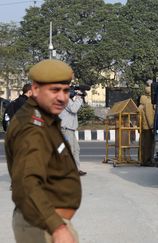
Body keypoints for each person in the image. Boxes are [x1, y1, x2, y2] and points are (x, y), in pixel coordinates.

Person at [5, 59, 81, 242]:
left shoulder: (43, 117)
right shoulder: (33, 129)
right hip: (42, 225)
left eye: (65, 91)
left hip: (46, 221)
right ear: (36, 89)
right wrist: (58, 228)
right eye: (54, 90)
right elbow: (27, 184)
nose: (62, 98)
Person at [59, 91, 86, 176]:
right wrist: (78, 97)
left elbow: (78, 107)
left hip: (70, 129)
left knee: (76, 149)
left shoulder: (69, 100)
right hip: (66, 129)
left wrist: (81, 98)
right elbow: (74, 109)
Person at [139, 85, 155, 166]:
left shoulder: (143, 102)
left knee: (144, 144)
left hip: (144, 126)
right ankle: (147, 161)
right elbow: (149, 115)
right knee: (148, 145)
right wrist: (152, 127)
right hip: (148, 127)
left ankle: (143, 160)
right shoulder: (149, 102)